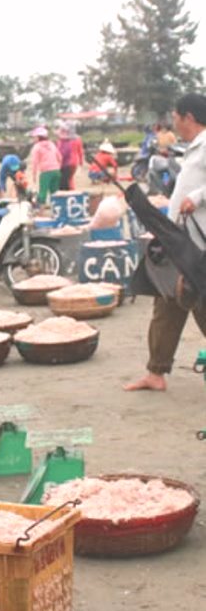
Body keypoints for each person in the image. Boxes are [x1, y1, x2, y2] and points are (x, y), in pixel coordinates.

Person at [125, 93, 206, 392]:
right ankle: (156, 372)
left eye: (175, 115)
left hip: (198, 248)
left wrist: (196, 197)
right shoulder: (193, 149)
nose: (172, 120)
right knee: (167, 304)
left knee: (199, 303)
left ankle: (156, 371)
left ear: (188, 117)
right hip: (180, 244)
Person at [28, 126, 62, 206]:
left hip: (46, 172)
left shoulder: (37, 147)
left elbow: (35, 162)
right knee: (55, 192)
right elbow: (60, 157)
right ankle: (56, 209)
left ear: (38, 137)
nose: (33, 139)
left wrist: (34, 175)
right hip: (56, 171)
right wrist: (57, 168)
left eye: (34, 137)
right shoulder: (52, 144)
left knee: (42, 193)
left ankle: (40, 210)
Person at [56, 123, 85, 191]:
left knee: (66, 180)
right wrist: (81, 162)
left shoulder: (61, 140)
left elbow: (58, 152)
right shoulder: (77, 139)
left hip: (67, 163)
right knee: (69, 179)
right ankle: (72, 192)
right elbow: (80, 152)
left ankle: (69, 193)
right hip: (72, 162)